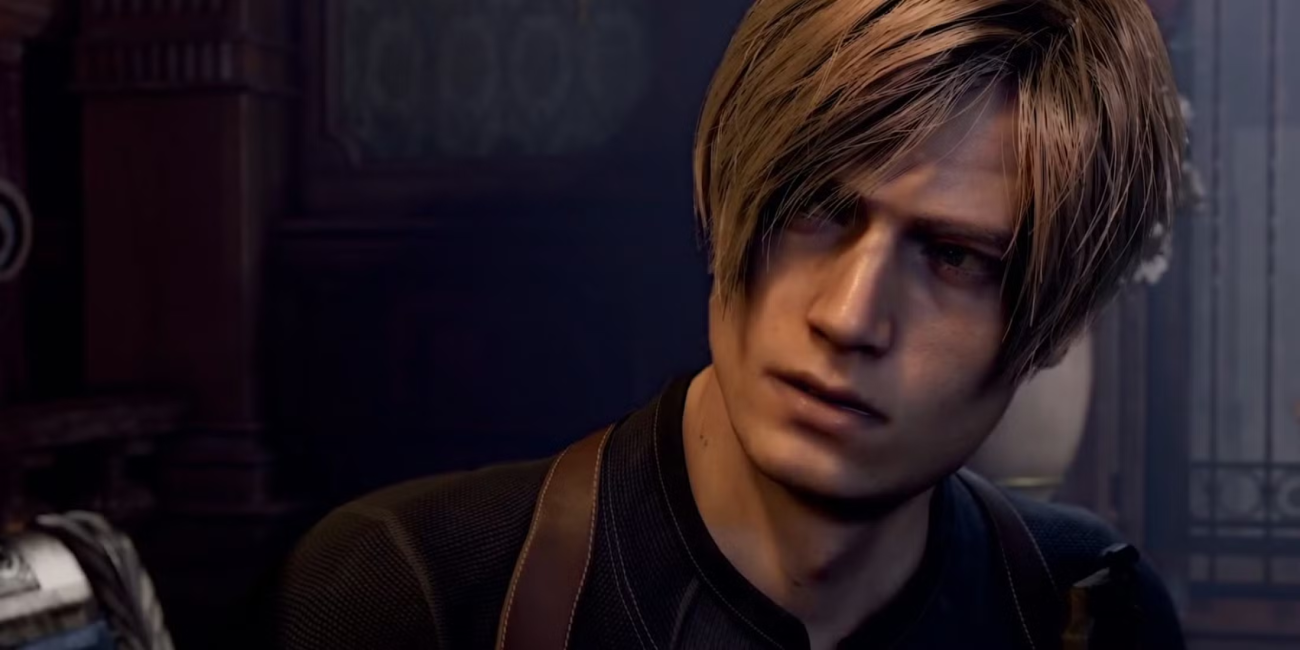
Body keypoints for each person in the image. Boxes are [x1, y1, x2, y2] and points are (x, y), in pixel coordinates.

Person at [267, 0, 1187, 648]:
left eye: (954, 257)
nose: (849, 317)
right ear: (724, 188)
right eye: (816, 207)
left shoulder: (1088, 603)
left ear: (1056, 320)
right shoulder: (411, 587)